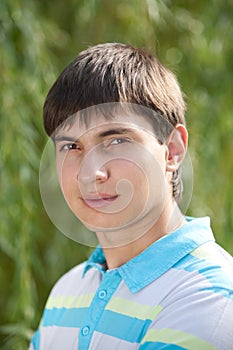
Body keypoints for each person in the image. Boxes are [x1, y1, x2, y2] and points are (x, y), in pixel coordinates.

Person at [29, 43, 233, 350]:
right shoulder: (68, 292)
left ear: (173, 150)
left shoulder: (210, 299)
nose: (91, 173)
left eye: (116, 140)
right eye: (71, 146)